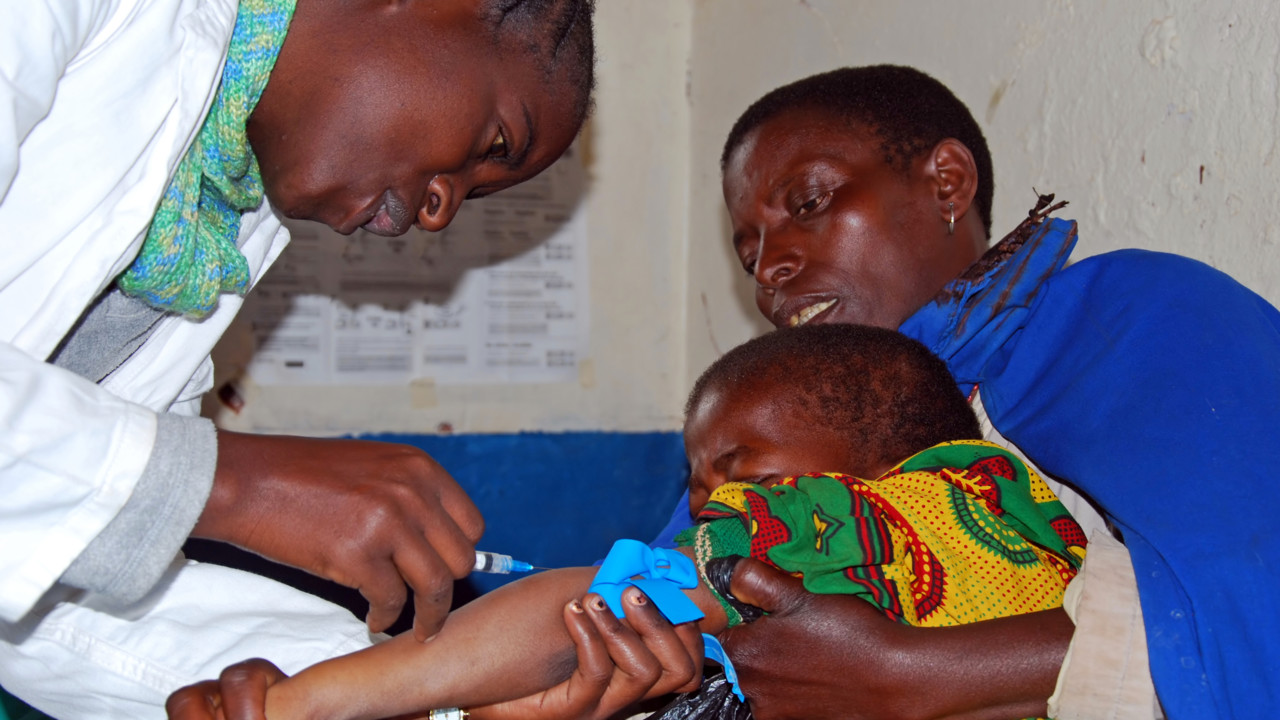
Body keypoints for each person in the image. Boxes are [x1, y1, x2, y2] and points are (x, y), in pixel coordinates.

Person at [0, 0, 603, 717]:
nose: (440, 211)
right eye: (494, 142)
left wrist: (435, 698)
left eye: (474, 195)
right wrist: (231, 485)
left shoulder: (208, 235)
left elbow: (61, 585)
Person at [699, 65, 1280, 719]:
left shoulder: (1143, 325)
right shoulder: (767, 418)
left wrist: (913, 672)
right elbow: (673, 590)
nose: (771, 268)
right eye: (749, 257)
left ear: (947, 184)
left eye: (807, 204)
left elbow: (1247, 601)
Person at [190, 323, 1084, 720]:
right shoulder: (1037, 520)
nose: (707, 503)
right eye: (698, 483)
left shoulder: (840, 526)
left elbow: (571, 609)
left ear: (876, 456)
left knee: (589, 597)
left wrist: (317, 696)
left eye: (740, 472)